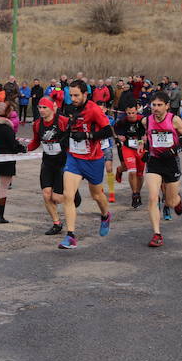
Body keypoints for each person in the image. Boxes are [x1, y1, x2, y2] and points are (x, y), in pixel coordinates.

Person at [58, 80, 114, 249]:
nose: (73, 98)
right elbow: (69, 127)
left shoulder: (94, 109)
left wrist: (88, 136)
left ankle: (105, 215)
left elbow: (107, 131)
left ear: (85, 94)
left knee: (97, 195)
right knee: (68, 196)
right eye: (71, 95)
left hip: (93, 159)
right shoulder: (70, 108)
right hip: (74, 158)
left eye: (76, 95)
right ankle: (70, 236)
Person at [141, 91, 182, 247]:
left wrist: (172, 151)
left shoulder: (174, 120)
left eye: (159, 105)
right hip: (154, 162)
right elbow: (147, 138)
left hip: (171, 162)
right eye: (153, 105)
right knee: (152, 197)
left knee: (169, 201)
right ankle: (157, 234)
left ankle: (177, 201)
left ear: (167, 106)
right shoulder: (146, 121)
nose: (155, 108)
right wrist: (145, 148)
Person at [28, 97, 80, 234]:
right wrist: (24, 149)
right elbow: (35, 141)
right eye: (39, 107)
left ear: (53, 107)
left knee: (57, 198)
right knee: (46, 195)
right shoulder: (37, 124)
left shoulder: (63, 121)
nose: (41, 110)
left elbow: (74, 137)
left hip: (63, 162)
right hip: (47, 162)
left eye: (44, 107)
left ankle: (73, 194)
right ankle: (56, 223)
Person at [114, 103, 147, 208]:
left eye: (133, 113)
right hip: (128, 148)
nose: (131, 115)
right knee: (132, 171)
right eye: (129, 113)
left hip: (140, 149)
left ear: (137, 111)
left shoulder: (143, 120)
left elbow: (147, 131)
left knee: (140, 174)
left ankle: (138, 192)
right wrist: (118, 136)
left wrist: (144, 139)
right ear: (125, 112)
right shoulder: (122, 121)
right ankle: (134, 194)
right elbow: (115, 129)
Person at [95, 100, 117, 203]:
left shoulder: (110, 119)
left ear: (105, 109)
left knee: (109, 169)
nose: (100, 111)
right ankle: (101, 191)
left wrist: (116, 138)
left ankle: (112, 193)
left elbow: (113, 129)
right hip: (96, 148)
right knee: (98, 170)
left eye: (101, 109)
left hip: (107, 146)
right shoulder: (93, 120)